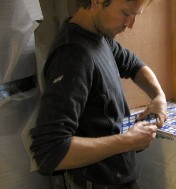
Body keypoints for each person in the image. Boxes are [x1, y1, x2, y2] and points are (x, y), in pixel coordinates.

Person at [29, 0, 167, 188]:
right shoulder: (73, 55)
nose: (131, 24)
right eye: (126, 14)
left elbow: (134, 65)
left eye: (136, 15)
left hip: (117, 178)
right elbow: (51, 151)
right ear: (97, 1)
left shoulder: (98, 36)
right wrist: (127, 142)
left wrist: (159, 97)